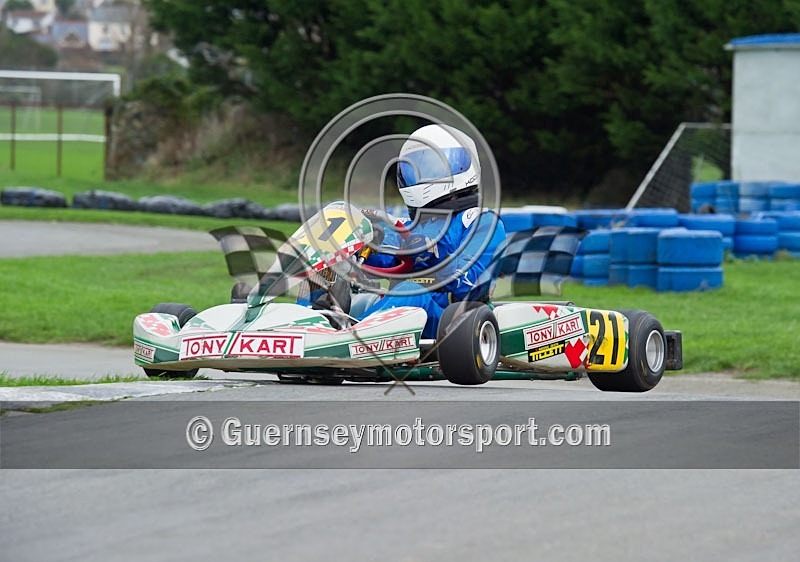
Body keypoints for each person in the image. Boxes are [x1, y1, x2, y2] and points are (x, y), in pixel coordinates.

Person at [359, 124, 506, 339]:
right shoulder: (407, 227)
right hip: (406, 317)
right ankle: (313, 327)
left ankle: (348, 342)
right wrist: (356, 248)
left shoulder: (482, 222)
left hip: (456, 323)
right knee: (329, 280)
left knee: (409, 291)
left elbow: (469, 284)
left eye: (431, 167)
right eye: (416, 167)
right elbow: (379, 263)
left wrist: (432, 254)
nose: (422, 174)